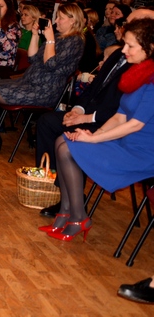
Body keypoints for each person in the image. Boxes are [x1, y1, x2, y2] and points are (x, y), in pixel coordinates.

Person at [41, 18, 154, 241]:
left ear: (150, 48)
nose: (124, 50)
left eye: (130, 46)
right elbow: (120, 116)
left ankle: (78, 217)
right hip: (125, 140)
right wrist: (94, 134)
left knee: (67, 148)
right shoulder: (138, 72)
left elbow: (136, 124)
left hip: (142, 151)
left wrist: (93, 140)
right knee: (64, 141)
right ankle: (66, 212)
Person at [0, 3, 85, 153]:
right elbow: (32, 58)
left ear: (72, 20)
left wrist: (50, 40)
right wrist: (35, 35)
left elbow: (51, 64)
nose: (56, 21)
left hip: (44, 90)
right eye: (57, 17)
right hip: (29, 81)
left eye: (61, 18)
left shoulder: (75, 41)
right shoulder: (58, 37)